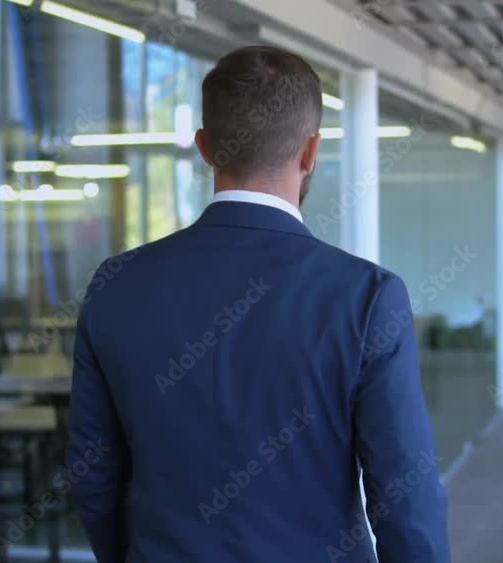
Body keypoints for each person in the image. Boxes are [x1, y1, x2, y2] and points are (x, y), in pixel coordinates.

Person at [67, 45, 450, 563]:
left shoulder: (116, 286)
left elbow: (92, 476)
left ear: (205, 148)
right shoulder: (366, 297)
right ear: (311, 152)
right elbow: (406, 498)